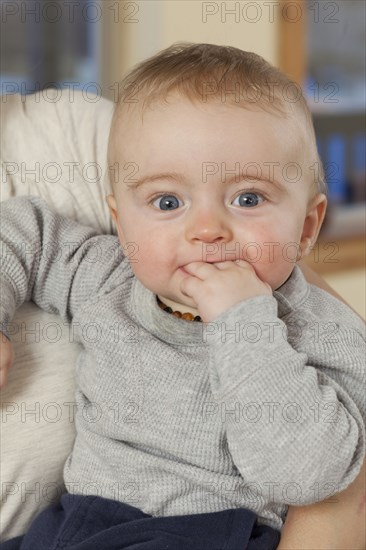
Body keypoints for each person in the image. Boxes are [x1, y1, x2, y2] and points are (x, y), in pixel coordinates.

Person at [0, 42, 365, 550]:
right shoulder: (107, 277)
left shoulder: (325, 333)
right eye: (168, 201)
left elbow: (311, 478)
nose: (207, 229)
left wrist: (244, 323)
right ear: (121, 220)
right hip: (74, 524)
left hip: (216, 534)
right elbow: (26, 233)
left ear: (306, 229)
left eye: (248, 198)